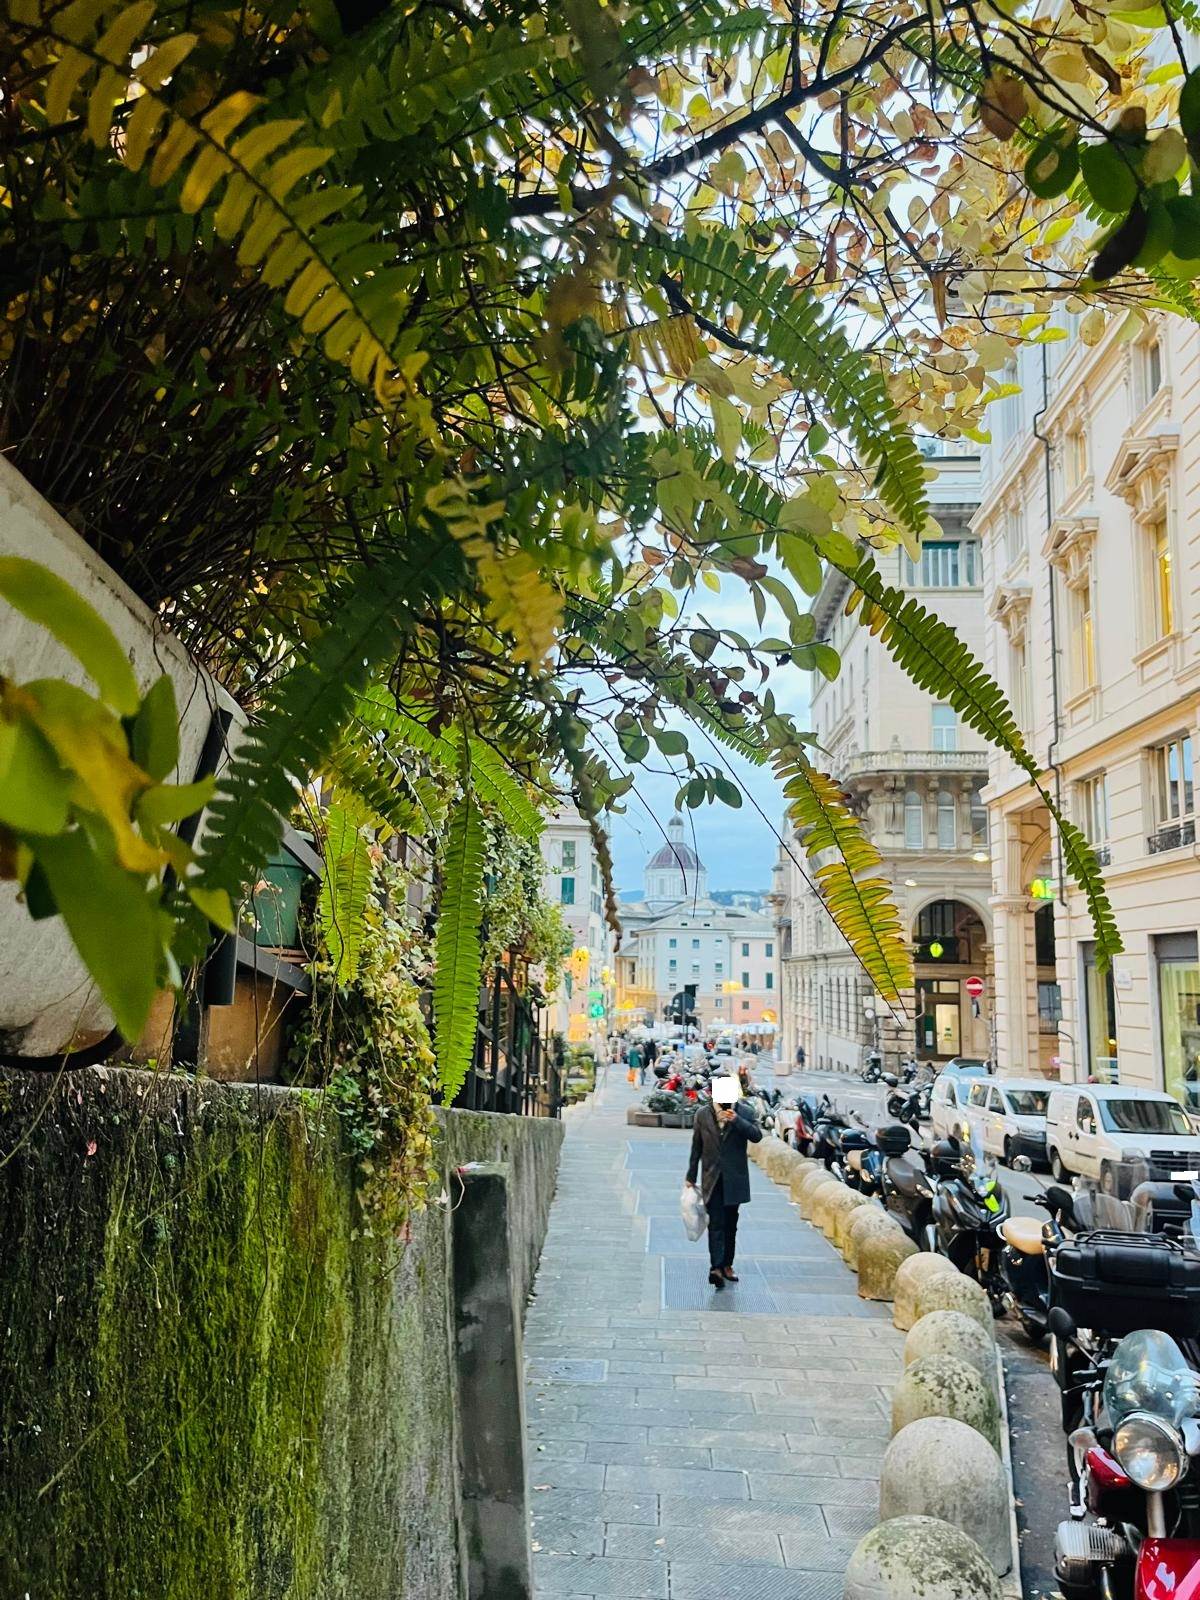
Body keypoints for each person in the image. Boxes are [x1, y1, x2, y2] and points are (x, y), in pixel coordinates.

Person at [685, 1075, 762, 1289]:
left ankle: (728, 1264)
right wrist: (691, 1175)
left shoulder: (745, 1112)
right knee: (716, 1223)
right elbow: (697, 1146)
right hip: (711, 1178)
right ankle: (716, 1268)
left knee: (730, 1224)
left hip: (734, 1178)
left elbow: (757, 1136)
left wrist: (736, 1120)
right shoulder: (703, 1114)